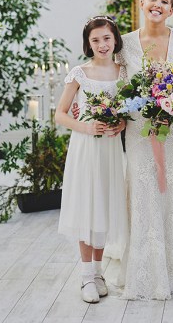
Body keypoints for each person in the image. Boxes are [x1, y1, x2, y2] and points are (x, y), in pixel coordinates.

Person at [116, 0, 173, 300]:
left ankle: (171, 269)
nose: (158, 4)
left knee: (172, 193)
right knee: (144, 190)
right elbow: (121, 87)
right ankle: (143, 271)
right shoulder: (125, 43)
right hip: (138, 131)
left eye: (165, 0)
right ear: (142, 2)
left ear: (172, 9)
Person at [56, 16, 128, 304]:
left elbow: (127, 110)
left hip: (110, 149)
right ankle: (86, 275)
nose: (102, 44)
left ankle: (98, 273)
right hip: (86, 147)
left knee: (104, 206)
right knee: (87, 206)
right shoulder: (79, 73)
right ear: (88, 43)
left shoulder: (123, 73)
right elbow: (60, 114)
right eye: (95, 40)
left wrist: (122, 123)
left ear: (115, 40)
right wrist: (87, 127)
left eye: (106, 38)